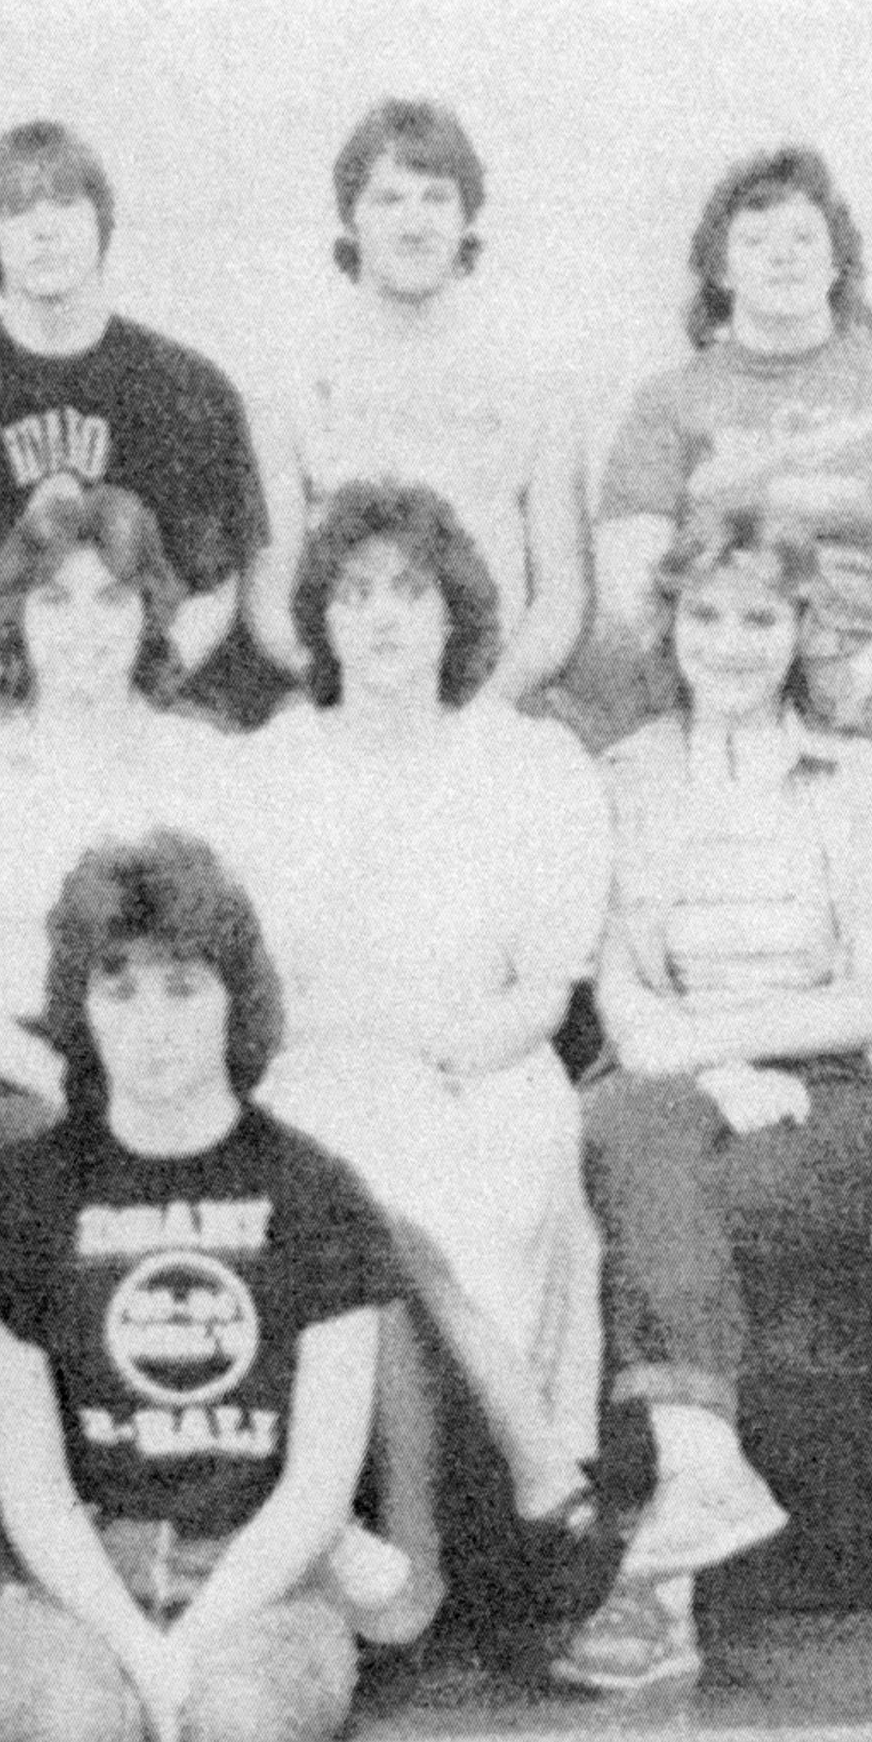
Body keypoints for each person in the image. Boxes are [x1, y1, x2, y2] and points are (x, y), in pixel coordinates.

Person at [0, 830, 397, 1742]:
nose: (153, 1024)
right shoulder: (28, 1196)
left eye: (185, 986)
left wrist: (195, 1642)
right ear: (79, 1009)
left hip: (262, 1571)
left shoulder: (316, 1194)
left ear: (237, 999)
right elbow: (31, 1488)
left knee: (242, 1722)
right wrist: (131, 1644)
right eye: (119, 989)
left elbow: (319, 1482)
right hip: (69, 1572)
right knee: (76, 1731)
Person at [213, 480, 631, 1652]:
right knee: (356, 1170)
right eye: (352, 596)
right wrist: (367, 1044)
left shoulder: (528, 764)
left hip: (481, 1065)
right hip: (315, 1064)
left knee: (419, 1181)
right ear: (321, 621)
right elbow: (255, 988)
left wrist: (451, 1048)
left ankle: (416, 1542)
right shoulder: (270, 768)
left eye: (410, 592)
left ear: (455, 614)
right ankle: (536, 1463)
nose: (383, 619)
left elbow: (548, 989)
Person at [567, 509, 872, 1690]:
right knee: (635, 1134)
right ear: (670, 625)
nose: (730, 642)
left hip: (835, 1092)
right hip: (673, 1085)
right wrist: (705, 1071)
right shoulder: (620, 777)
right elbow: (621, 993)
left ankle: (661, 1570)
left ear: (801, 632)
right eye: (705, 615)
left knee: (650, 1188)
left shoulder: (865, 777)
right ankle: (687, 1520)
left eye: (761, 617)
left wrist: (734, 1050)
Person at [0, 482, 228, 1184]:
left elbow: (239, 961)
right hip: (8, 1073)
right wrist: (72, 1080)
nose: (84, 627)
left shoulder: (205, 761)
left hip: (177, 1061)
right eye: (55, 600)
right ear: (17, 619)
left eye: (112, 599)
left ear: (150, 615)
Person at [590, 144, 872, 759]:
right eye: (754, 241)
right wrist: (727, 682)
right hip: (715, 666)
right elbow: (632, 579)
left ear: (837, 263)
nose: (782, 256)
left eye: (804, 238)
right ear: (720, 270)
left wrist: (858, 676)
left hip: (871, 675)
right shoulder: (667, 401)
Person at [0, 121, 258, 716]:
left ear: (101, 223)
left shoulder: (190, 392)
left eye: (65, 205)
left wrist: (140, 687)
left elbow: (218, 587)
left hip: (150, 708)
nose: (44, 230)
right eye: (19, 212)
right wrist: (11, 693)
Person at [253, 97, 588, 722]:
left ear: (467, 218)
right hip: (344, 702)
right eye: (388, 199)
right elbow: (269, 601)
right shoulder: (292, 382)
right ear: (351, 220)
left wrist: (485, 710)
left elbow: (563, 598)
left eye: (437, 197)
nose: (415, 223)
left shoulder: (536, 382)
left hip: (495, 698)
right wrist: (354, 694)